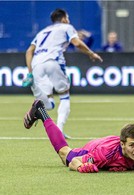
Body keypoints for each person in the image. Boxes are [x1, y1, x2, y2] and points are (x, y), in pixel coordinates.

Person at [23, 99, 134, 173]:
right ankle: (41, 111)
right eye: (132, 145)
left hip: (112, 152)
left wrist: (130, 167)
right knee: (64, 154)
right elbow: (74, 162)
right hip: (96, 146)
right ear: (123, 144)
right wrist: (81, 167)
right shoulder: (104, 154)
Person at [22, 8, 103, 139]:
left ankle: (33, 85)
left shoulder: (42, 32)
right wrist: (91, 53)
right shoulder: (67, 27)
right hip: (53, 61)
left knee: (47, 104)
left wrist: (30, 72)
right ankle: (59, 130)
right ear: (64, 18)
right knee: (64, 95)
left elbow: (28, 52)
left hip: (36, 64)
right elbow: (77, 43)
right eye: (68, 18)